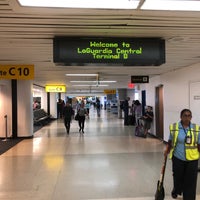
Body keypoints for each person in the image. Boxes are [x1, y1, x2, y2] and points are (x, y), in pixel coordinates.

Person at [164, 109, 200, 200]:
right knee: (178, 177)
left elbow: (199, 144)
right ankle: (177, 189)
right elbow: (170, 141)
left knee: (190, 181)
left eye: (189, 116)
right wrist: (167, 150)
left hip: (192, 159)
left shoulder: (196, 128)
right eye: (185, 115)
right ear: (181, 117)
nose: (187, 118)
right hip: (178, 158)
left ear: (191, 117)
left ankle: (189, 197)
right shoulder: (175, 127)